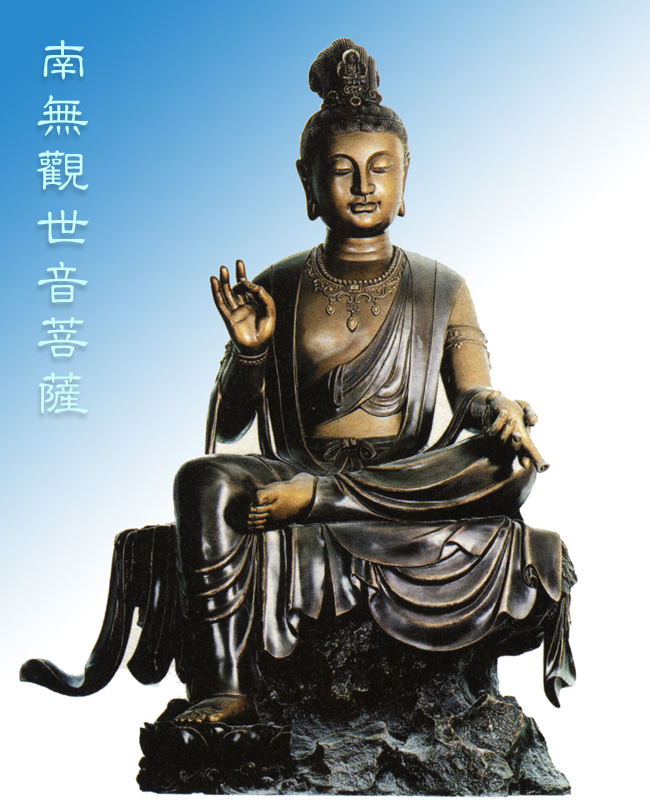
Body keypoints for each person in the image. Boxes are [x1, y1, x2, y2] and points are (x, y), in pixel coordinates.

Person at [171, 38, 575, 725]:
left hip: (406, 478)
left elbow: (471, 395)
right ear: (307, 183)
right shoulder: (279, 285)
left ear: (405, 177)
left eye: (381, 168)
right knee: (201, 481)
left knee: (510, 461)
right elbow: (230, 428)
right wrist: (249, 353)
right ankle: (228, 686)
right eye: (343, 170)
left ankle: (323, 502)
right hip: (300, 468)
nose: (364, 186)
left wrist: (499, 409)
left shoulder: (441, 287)